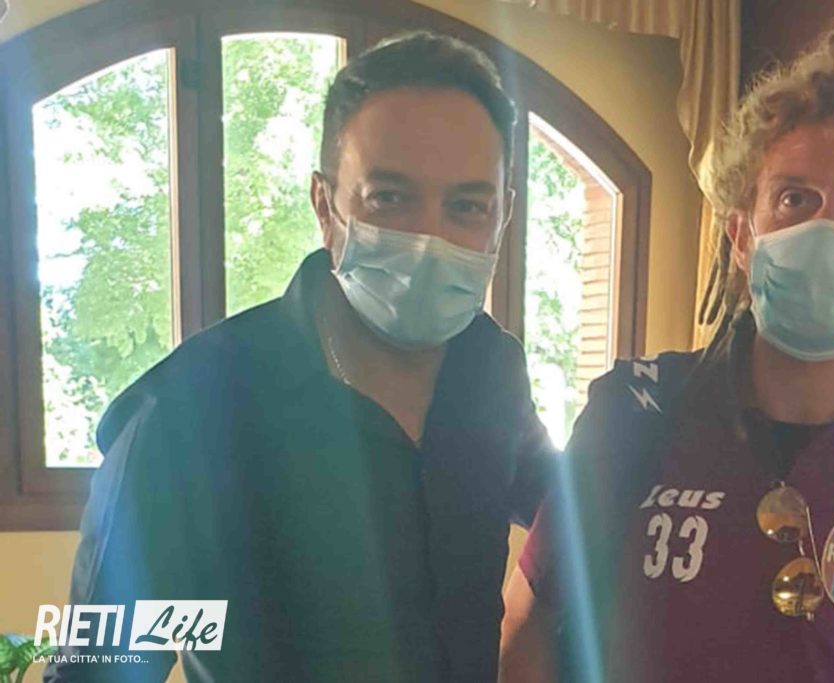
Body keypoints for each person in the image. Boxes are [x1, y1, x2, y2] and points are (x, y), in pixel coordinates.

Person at [500, 34, 834, 683]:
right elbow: (526, 625)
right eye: (795, 198)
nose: (826, 231)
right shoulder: (633, 410)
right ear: (742, 237)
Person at [46, 31, 554, 683]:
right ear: (324, 204)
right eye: (389, 198)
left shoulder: (492, 370)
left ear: (504, 215)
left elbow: (565, 502)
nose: (429, 238)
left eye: (467, 206)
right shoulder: (188, 415)